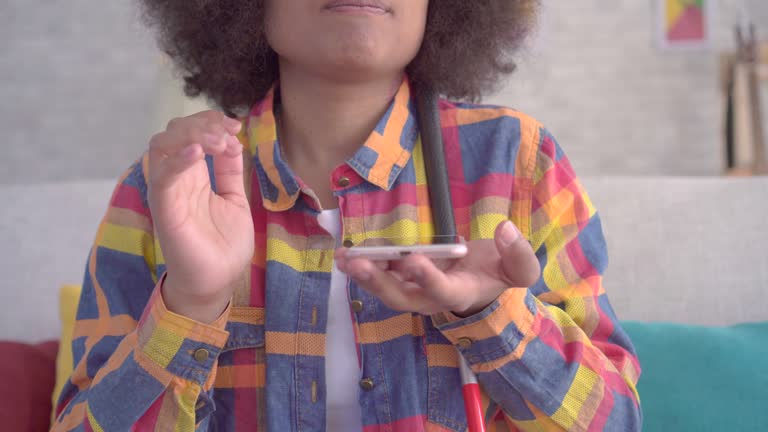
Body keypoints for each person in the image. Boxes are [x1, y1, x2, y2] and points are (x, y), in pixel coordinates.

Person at [52, 1, 642, 431]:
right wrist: (190, 305)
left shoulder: (519, 162)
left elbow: (618, 422)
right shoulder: (167, 187)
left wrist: (491, 313)